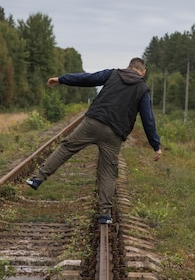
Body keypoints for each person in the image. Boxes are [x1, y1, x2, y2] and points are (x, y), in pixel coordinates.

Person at [26, 57, 162, 224]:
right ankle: (105, 214)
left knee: (67, 147)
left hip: (93, 123)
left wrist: (62, 79)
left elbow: (87, 78)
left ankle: (38, 178)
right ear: (143, 72)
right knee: (108, 172)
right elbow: (148, 119)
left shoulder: (113, 74)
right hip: (114, 133)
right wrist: (155, 145)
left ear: (128, 67)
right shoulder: (142, 88)